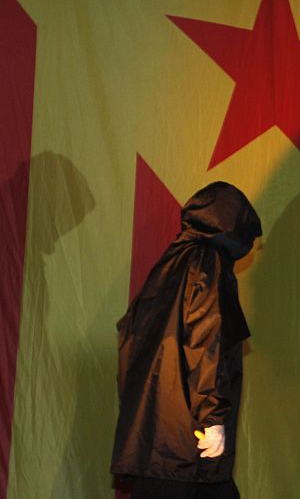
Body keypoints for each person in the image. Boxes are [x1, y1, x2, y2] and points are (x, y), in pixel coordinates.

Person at [111, 182, 262, 499]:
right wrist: (213, 416)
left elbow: (129, 338)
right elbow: (207, 341)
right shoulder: (209, 262)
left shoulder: (171, 263)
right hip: (185, 438)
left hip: (158, 430)